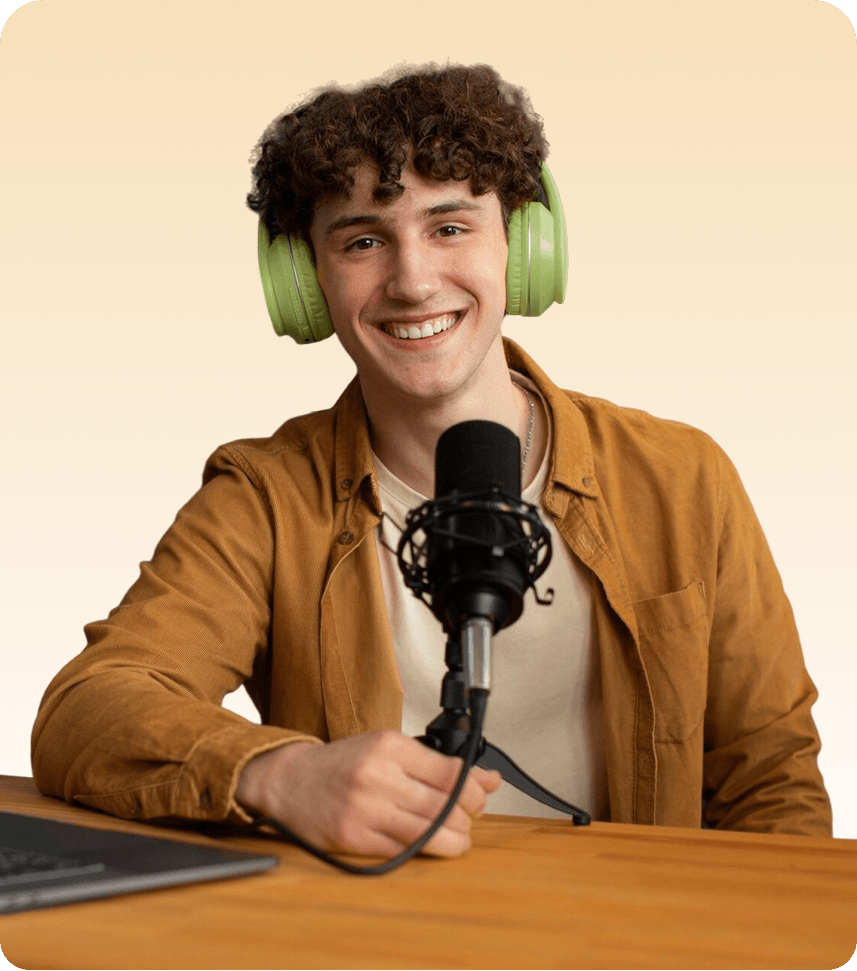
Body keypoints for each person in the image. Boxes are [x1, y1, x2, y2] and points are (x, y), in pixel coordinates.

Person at [31, 64, 832, 858]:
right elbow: (91, 705)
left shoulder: (682, 476)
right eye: (364, 240)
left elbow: (772, 780)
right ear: (305, 280)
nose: (412, 281)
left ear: (522, 248)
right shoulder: (265, 496)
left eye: (450, 227)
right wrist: (278, 773)